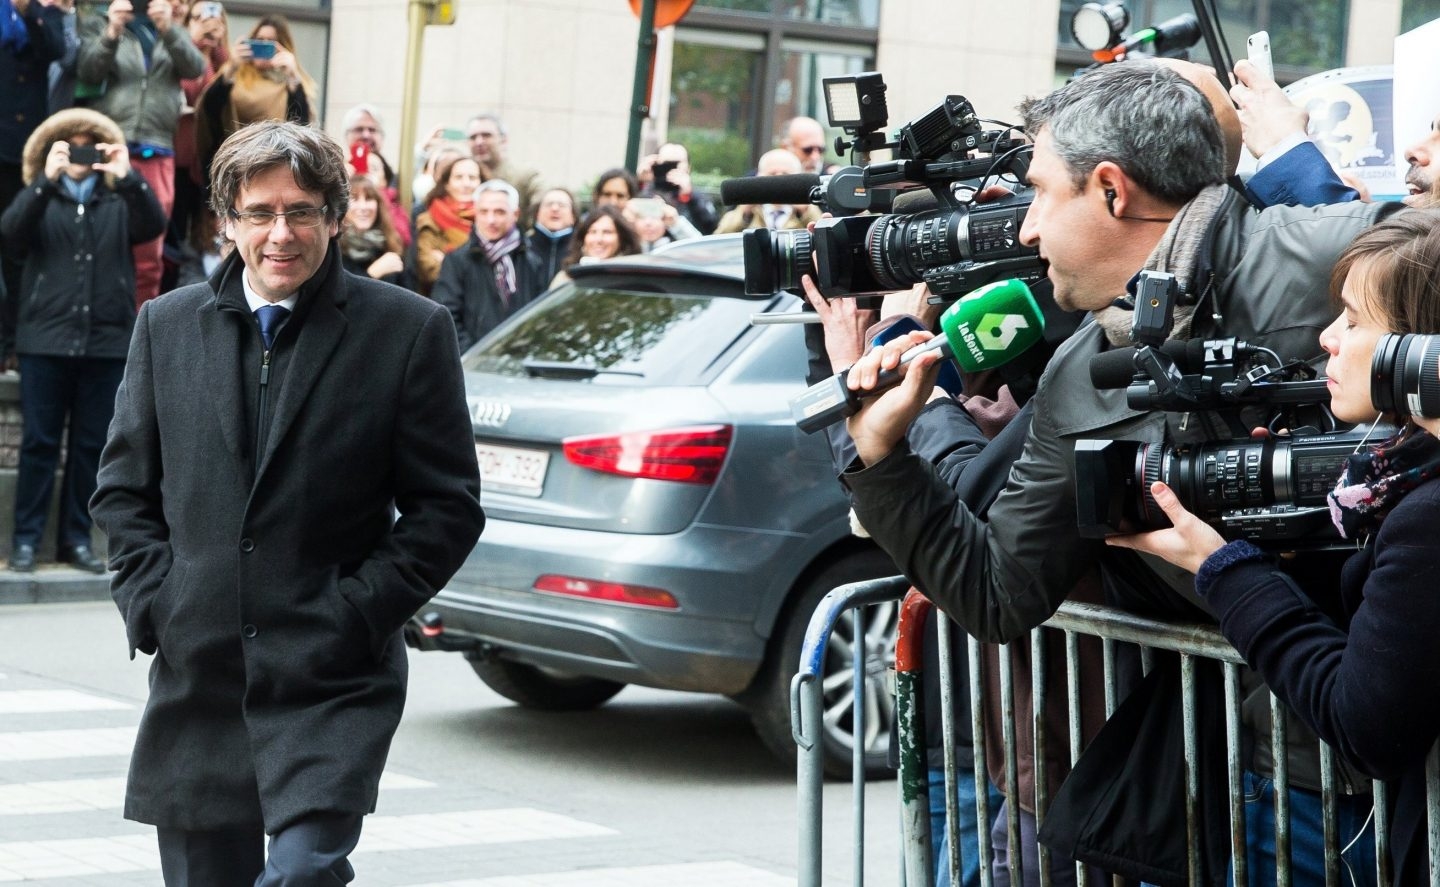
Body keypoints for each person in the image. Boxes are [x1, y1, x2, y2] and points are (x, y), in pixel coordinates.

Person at [836, 60, 1396, 883]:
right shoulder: (1082, 371)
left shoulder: (1342, 255)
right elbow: (1000, 590)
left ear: (1110, 190)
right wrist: (883, 457)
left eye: (1039, 193)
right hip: (1275, 775)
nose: (1025, 230)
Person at [90, 120, 485, 886]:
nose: (282, 233)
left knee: (303, 873)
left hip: (329, 674)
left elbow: (447, 509)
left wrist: (359, 610)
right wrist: (156, 604)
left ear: (336, 217)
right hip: (198, 678)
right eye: (261, 212)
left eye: (302, 211)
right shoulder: (165, 327)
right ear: (227, 220)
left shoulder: (408, 331)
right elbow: (122, 490)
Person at [1107, 209, 1440, 883]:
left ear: (1420, 350)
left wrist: (1224, 568)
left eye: (1352, 320)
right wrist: (1282, 539)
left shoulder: (1429, 515)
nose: (1328, 338)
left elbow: (1365, 719)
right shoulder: (1404, 474)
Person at [1, 107, 164, 573]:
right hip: (44, 343)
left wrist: (127, 175)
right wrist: (44, 180)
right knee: (38, 444)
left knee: (92, 447)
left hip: (106, 343)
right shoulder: (40, 200)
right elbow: (10, 233)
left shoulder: (119, 202)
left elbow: (153, 225)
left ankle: (77, 541)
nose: (80, 153)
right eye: (70, 145)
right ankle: (26, 542)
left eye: (87, 144)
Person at [76, 0, 205, 309]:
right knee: (98, 237)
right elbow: (88, 71)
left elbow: (195, 69)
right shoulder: (98, 21)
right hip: (108, 143)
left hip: (158, 147)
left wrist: (168, 29)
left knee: (150, 249)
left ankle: (140, 328)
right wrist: (112, 30)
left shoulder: (171, 28)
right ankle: (92, 320)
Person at [2, 0, 68, 350]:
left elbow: (56, 50)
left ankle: (12, 341)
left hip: (20, 151)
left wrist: (32, 13)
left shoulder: (47, 13)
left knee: (15, 248)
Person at [431, 178, 544, 352]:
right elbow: (447, 315)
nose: (490, 220)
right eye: (483, 212)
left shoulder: (530, 260)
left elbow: (539, 314)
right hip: (473, 362)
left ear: (515, 214)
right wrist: (472, 355)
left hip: (519, 360)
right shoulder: (457, 260)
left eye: (499, 212)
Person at [194, 14, 314, 178]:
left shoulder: (291, 85)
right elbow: (209, 111)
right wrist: (232, 66)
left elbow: (300, 128)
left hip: (273, 167)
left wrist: (293, 78)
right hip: (232, 165)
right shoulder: (234, 76)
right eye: (259, 39)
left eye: (270, 41)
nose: (263, 45)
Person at [341, 103, 411, 246]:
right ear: (347, 135)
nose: (366, 135)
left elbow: (402, 236)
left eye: (372, 130)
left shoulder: (397, 183)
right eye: (359, 129)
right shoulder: (333, 176)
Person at [411, 153, 480, 295]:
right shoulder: (429, 219)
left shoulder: (491, 217)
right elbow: (428, 270)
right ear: (447, 184)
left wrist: (447, 261)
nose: (466, 184)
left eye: (472, 178)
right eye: (458, 177)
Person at [714, 148, 822, 233]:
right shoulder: (748, 211)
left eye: (786, 174)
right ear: (758, 177)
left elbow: (824, 237)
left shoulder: (808, 210)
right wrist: (744, 214)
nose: (778, 181)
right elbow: (720, 238)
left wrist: (806, 212)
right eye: (772, 174)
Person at [465, 112, 542, 224]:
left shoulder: (525, 177)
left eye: (486, 135)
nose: (479, 142)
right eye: (473, 137)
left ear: (504, 139)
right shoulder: (460, 178)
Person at [339, 173, 404, 286]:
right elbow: (339, 296)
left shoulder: (389, 245)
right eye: (355, 199)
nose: (363, 207)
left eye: (369, 199)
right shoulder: (334, 249)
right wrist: (372, 274)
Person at [552, 204, 641, 286]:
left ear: (622, 239)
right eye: (592, 232)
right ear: (583, 238)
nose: (598, 239)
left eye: (607, 232)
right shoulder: (566, 278)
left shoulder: (634, 278)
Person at [640, 142, 717, 234]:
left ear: (688, 168)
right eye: (667, 163)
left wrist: (689, 197)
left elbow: (711, 228)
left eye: (677, 163)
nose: (672, 168)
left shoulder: (697, 197)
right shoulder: (646, 189)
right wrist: (641, 183)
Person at [527, 187, 576, 284]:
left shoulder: (581, 248)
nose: (555, 209)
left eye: (562, 205)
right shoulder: (523, 247)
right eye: (548, 204)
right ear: (537, 214)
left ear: (573, 216)